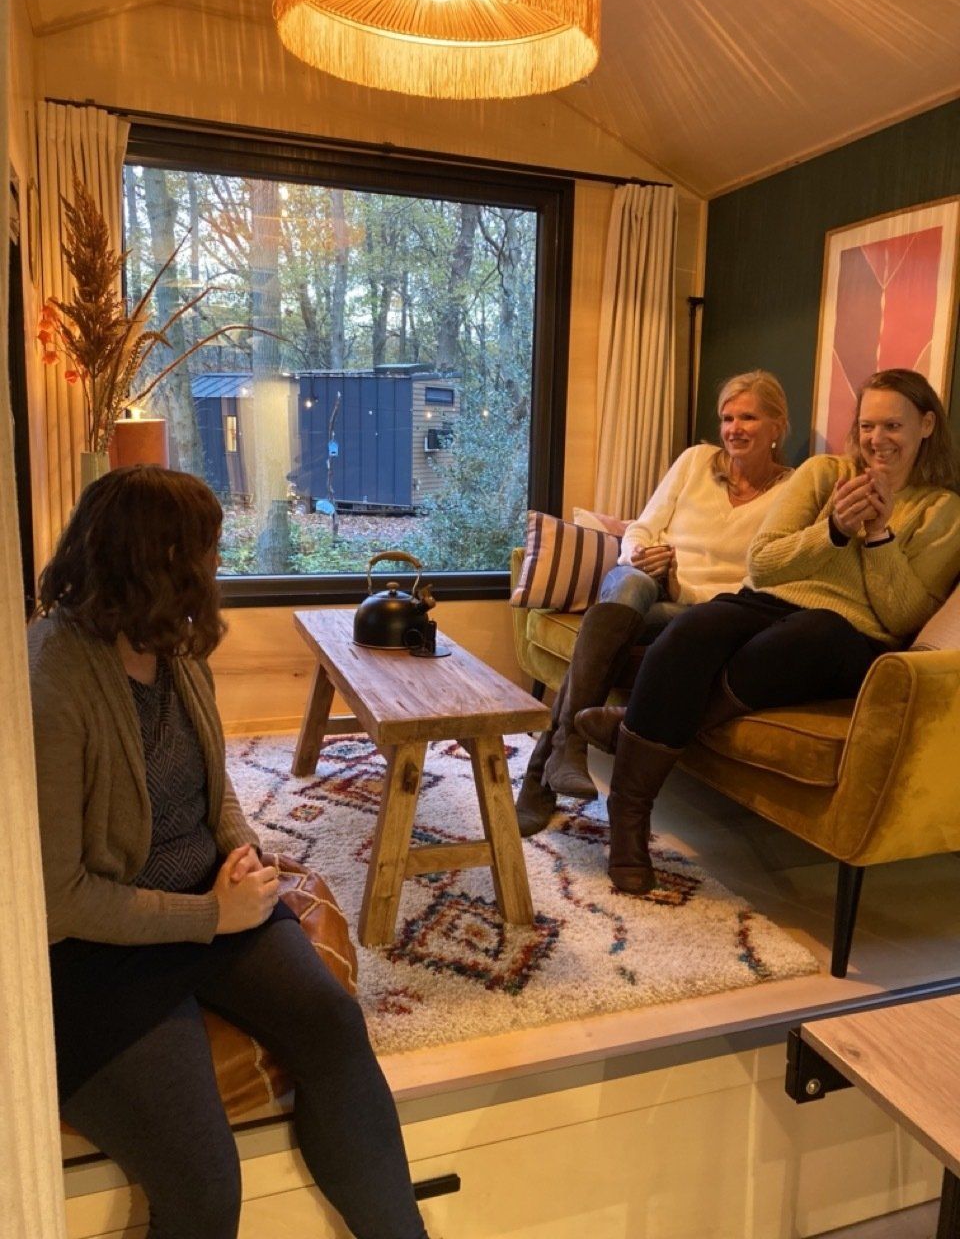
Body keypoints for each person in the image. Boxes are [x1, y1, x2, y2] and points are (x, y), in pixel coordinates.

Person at [29, 466, 430, 1239]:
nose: (218, 565)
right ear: (157, 559)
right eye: (207, 550)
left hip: (214, 902)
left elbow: (216, 791)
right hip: (96, 948)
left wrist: (244, 857)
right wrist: (212, 916)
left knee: (333, 1027)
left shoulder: (172, 641)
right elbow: (57, 898)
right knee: (204, 1181)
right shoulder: (53, 676)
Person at [575, 368, 960, 895]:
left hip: (849, 637)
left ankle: (633, 732)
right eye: (867, 426)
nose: (877, 440)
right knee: (690, 630)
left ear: (927, 425)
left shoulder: (943, 511)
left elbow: (902, 617)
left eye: (892, 426)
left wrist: (877, 536)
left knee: (808, 633)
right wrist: (833, 530)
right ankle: (628, 821)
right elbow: (764, 561)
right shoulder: (824, 473)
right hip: (766, 600)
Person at [516, 369, 792, 835]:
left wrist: (687, 585)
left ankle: (541, 774)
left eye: (748, 417)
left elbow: (767, 571)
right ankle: (569, 747)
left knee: (602, 636)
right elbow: (643, 527)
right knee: (628, 584)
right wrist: (641, 555)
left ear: (777, 426)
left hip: (704, 613)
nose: (734, 429)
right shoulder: (696, 461)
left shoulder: (793, 490)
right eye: (727, 418)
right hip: (647, 585)